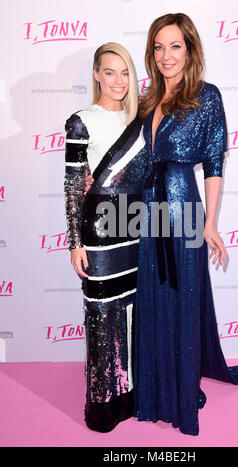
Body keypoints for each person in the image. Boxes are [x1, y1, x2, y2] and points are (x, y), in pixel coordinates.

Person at [133, 13, 238, 436]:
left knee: (183, 294)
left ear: (189, 49)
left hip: (181, 205)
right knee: (153, 297)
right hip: (148, 209)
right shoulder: (147, 98)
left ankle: (182, 388)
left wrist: (211, 223)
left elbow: (212, 165)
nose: (165, 55)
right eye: (158, 46)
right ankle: (154, 388)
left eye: (174, 46)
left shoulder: (206, 97)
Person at [64, 42, 147, 432]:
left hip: (139, 228)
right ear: (96, 74)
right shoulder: (81, 121)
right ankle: (103, 406)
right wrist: (74, 243)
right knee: (102, 319)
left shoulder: (143, 118)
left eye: (125, 72)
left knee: (136, 314)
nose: (118, 80)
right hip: (99, 233)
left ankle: (135, 395)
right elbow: (72, 187)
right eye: (110, 72)